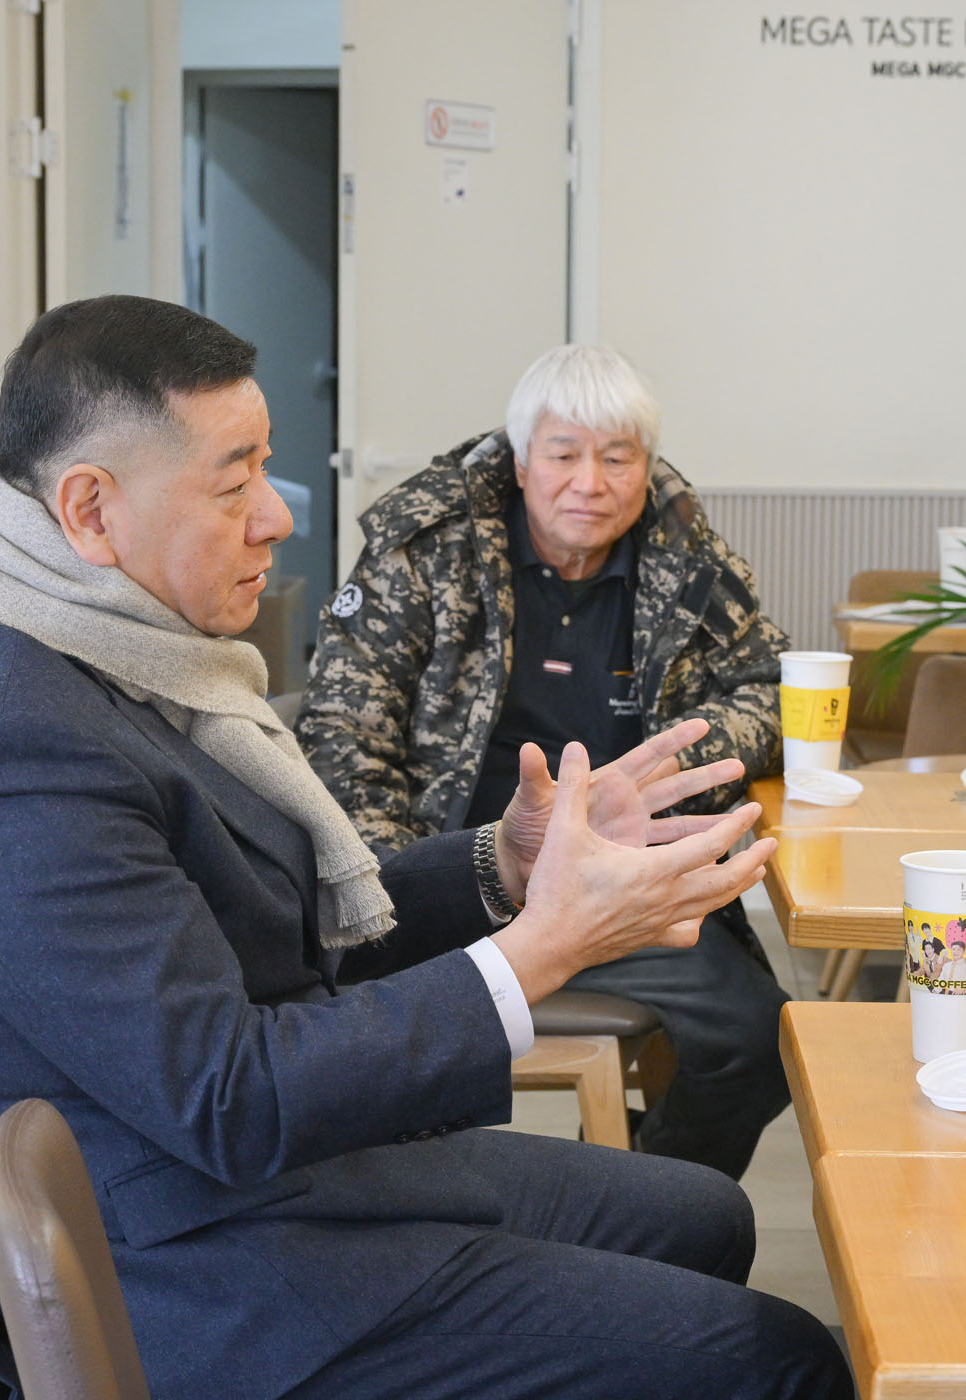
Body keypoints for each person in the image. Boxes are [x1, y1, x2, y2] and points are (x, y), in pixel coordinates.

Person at [0, 297, 851, 1400]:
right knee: (782, 1358)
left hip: (264, 1183)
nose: (275, 519)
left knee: (705, 1215)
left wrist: (507, 864)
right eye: (233, 485)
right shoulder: (8, 752)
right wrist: (543, 946)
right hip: (199, 1272)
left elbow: (279, 933)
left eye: (265, 469)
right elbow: (231, 1098)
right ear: (91, 509)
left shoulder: (125, 661)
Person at [295, 345, 793, 1179]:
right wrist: (399, 885)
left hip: (615, 877)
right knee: (374, 1051)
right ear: (522, 462)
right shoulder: (425, 550)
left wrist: (672, 765)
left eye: (617, 458)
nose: (589, 483)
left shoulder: (686, 558)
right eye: (564, 456)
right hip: (449, 876)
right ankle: (438, 1206)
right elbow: (344, 732)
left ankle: (636, 1205)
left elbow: (769, 688)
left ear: (647, 466)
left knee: (757, 1037)